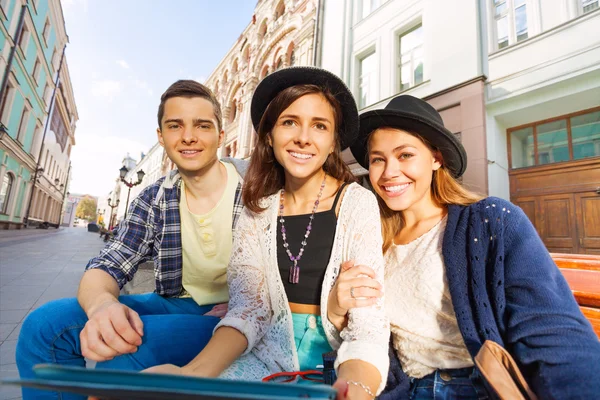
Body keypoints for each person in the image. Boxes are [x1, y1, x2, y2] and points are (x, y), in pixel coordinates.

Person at [327, 95, 600, 399]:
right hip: (398, 390)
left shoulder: (490, 222)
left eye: (404, 155)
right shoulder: (371, 239)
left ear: (436, 159)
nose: (389, 172)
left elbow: (553, 333)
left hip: (474, 388)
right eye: (378, 159)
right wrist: (337, 311)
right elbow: (366, 335)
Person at [147, 67, 390, 399]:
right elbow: (249, 309)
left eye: (319, 126)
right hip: (263, 360)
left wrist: (356, 388)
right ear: (268, 135)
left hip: (335, 366)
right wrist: (190, 374)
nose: (303, 137)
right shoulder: (258, 207)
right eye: (289, 122)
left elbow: (368, 324)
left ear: (333, 142)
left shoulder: (358, 204)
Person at [16, 80, 247, 400]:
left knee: (125, 358)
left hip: (235, 317)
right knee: (44, 328)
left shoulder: (255, 187)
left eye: (203, 125)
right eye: (175, 125)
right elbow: (110, 262)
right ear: (161, 136)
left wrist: (243, 305)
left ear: (220, 136)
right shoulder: (154, 197)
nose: (189, 136)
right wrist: (102, 305)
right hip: (173, 302)